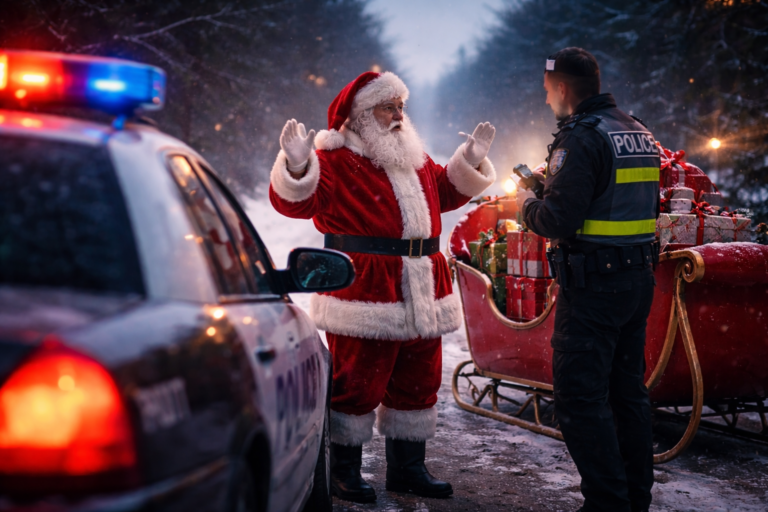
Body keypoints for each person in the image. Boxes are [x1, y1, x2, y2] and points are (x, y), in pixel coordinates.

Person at [269, 71, 497, 503]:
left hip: (423, 287)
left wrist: (469, 159)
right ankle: (345, 473)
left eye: (400, 107)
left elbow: (445, 192)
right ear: (359, 116)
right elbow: (295, 203)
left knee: (418, 381)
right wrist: (298, 166)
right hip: (366, 291)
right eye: (387, 107)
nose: (398, 116)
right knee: (357, 385)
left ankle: (408, 470)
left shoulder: (413, 158)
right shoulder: (335, 163)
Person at [516, 47, 659, 512]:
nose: (545, 101)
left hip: (595, 285)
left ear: (561, 88)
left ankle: (606, 503)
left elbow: (558, 219)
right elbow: (611, 201)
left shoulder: (580, 136)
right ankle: (635, 499)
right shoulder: (635, 130)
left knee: (579, 398)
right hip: (636, 281)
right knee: (627, 394)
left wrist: (527, 206)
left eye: (546, 92)